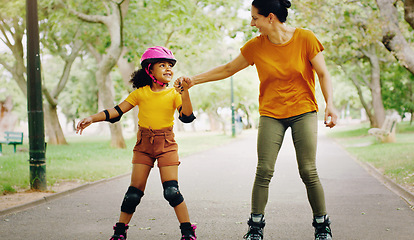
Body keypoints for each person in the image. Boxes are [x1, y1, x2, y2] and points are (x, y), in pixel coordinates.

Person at [175, 1, 338, 239]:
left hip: (303, 110)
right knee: (264, 170)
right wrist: (194, 80)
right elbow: (228, 69)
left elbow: (323, 73)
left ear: (270, 17)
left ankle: (322, 226)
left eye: (255, 18)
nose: (252, 23)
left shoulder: (305, 38)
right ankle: (255, 227)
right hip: (271, 113)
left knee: (308, 170)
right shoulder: (256, 46)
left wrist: (330, 104)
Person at [76, 46, 197, 240]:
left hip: (166, 144)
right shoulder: (140, 93)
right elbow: (116, 111)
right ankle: (120, 231)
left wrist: (185, 93)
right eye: (162, 65)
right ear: (150, 70)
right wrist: (93, 118)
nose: (168, 69)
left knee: (171, 191)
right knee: (133, 193)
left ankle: (188, 231)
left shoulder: (174, 94)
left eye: (170, 66)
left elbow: (187, 117)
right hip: (144, 145)